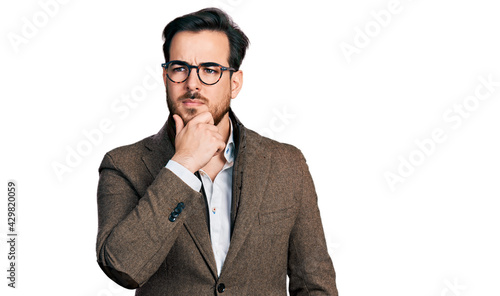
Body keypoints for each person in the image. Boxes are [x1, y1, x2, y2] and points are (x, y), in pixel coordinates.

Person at [96, 7, 338, 295]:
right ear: (165, 79)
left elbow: (315, 284)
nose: (192, 84)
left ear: (234, 83)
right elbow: (123, 267)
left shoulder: (286, 164)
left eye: (210, 70)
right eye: (179, 68)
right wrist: (182, 165)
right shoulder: (124, 165)